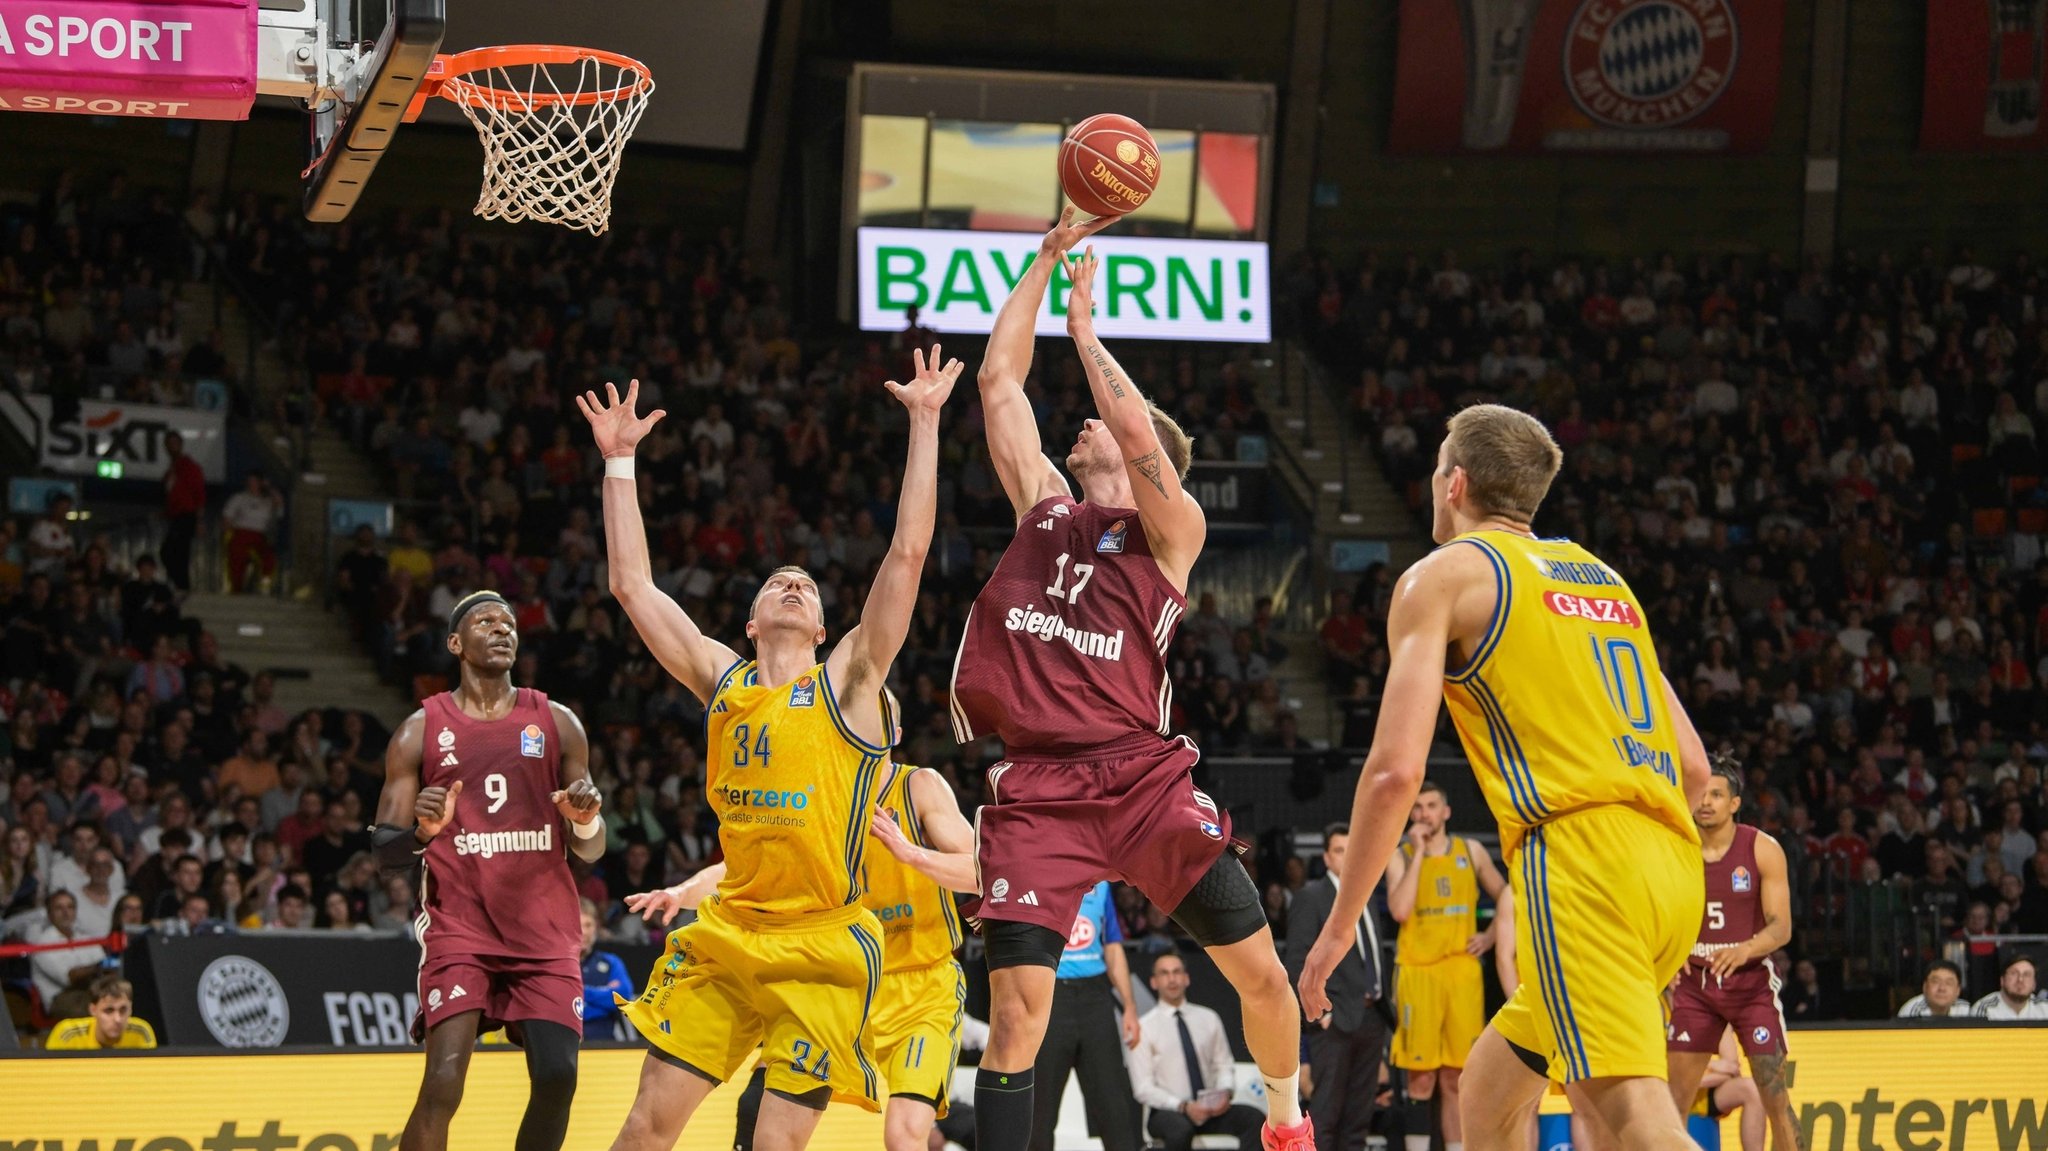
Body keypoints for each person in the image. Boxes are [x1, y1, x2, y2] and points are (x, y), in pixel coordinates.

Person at [953, 211, 1312, 1151]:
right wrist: (1043, 262)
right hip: (1038, 788)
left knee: (1262, 977)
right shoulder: (1043, 508)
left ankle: (1285, 1121)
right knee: (1017, 1017)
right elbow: (997, 383)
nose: (1085, 426)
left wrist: (1086, 331)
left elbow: (1128, 419)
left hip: (1140, 778)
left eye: (1109, 429)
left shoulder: (1171, 532)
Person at [1299, 404, 1711, 1151]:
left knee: (1638, 1121)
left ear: (1455, 482)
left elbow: (1394, 772)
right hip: (1673, 859)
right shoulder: (1605, 579)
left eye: (1433, 471)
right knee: (1490, 1085)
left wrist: (1338, 928)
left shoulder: (1446, 575)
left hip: (1582, 860)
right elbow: (1695, 768)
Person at [584, 354, 956, 1151]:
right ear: (750, 623)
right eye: (776, 584)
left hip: (822, 945)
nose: (793, 586)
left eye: (807, 588)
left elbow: (909, 554)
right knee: (646, 1127)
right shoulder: (724, 680)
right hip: (730, 934)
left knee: (775, 1145)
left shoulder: (850, 684)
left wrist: (924, 424)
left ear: (825, 630)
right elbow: (633, 585)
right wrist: (620, 463)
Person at [370, 589, 607, 1151]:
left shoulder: (558, 722)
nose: (502, 629)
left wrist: (585, 822)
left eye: (508, 623)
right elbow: (384, 852)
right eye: (485, 622)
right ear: (455, 643)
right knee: (444, 1082)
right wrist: (423, 834)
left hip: (544, 932)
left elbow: (590, 853)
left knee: (557, 1078)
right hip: (462, 929)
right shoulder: (419, 729)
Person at [712, 742, 979, 1151]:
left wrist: (909, 853)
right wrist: (682, 891)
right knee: (760, 1104)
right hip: (844, 985)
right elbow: (748, 864)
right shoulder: (819, 792)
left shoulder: (918, 787)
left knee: (904, 1136)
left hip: (921, 989)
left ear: (893, 733)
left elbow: (981, 872)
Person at [1665, 757, 1799, 1151]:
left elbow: (1781, 928)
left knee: (1776, 1100)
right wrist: (1668, 951)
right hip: (1695, 987)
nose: (1706, 802)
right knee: (1673, 1104)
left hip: (1751, 985)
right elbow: (1651, 909)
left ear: (1735, 803)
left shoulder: (1762, 848)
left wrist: (1745, 949)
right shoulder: (1675, 847)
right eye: (1701, 794)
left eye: (1717, 795)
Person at [1384, 781, 1508, 1151]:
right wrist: (1419, 852)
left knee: (1458, 1078)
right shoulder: (1400, 855)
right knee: (1420, 1079)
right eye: (1418, 807)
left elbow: (1507, 896)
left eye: (1431, 805)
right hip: (1418, 972)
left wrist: (1490, 937)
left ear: (1446, 812)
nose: (1424, 813)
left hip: (1461, 972)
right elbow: (1400, 909)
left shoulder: (1471, 851)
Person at [1284, 825, 1388, 1150]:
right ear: (1327, 858)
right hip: (1334, 1020)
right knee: (1326, 1116)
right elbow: (1297, 960)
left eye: (1352, 849)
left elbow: (1370, 954)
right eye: (1340, 850)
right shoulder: (1311, 897)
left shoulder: (1366, 894)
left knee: (1359, 1118)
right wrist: (1318, 1015)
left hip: (1372, 1017)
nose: (1347, 857)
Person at [1129, 952, 1268, 1151]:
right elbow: (1143, 1088)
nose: (1172, 979)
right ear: (1153, 982)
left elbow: (1223, 1065)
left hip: (1210, 1109)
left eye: (1177, 972)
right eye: (1164, 973)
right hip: (1168, 1111)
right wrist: (1183, 1106)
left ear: (1186, 978)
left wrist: (1225, 1093)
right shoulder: (1144, 1027)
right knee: (1180, 1130)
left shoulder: (1208, 1018)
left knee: (1253, 1119)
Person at [44, 974, 157, 1050]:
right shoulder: (67, 1034)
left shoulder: (141, 1032)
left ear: (131, 1008)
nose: (117, 1019)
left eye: (123, 1010)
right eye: (108, 1011)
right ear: (93, 1010)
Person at [579, 898, 636, 1040]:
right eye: (579, 926)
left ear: (596, 927)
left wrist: (579, 991)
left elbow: (623, 997)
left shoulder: (610, 962)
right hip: (566, 1044)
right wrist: (603, 999)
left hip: (604, 1046)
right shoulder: (558, 965)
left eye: (588, 925)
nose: (584, 932)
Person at [221, 471, 284, 593]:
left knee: (269, 560)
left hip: (260, 535)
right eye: (249, 481)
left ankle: (265, 586)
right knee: (237, 557)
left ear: (261, 483)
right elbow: (227, 517)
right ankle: (236, 588)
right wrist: (227, 533)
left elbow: (279, 504)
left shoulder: (268, 501)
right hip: (240, 532)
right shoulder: (239, 498)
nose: (251, 484)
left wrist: (269, 487)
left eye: (255, 481)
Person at [162, 430, 207, 592]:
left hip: (186, 515)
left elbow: (199, 494)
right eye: (169, 444)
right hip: (176, 517)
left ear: (180, 445)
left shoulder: (190, 467)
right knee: (175, 552)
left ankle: (183, 586)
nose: (172, 447)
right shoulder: (171, 471)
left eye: (175, 443)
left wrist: (200, 520)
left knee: (174, 552)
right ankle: (182, 585)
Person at [1971, 953, 2048, 1020]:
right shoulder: (1985, 1009)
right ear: (2002, 980)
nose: (2020, 979)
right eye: (2014, 973)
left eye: (2026, 975)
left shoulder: (2044, 1009)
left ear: (2034, 984)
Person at [1895, 960, 1972, 1018]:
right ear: (1924, 987)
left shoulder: (1966, 1010)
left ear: (1958, 990)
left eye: (1949, 983)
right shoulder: (1913, 1011)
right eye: (1936, 982)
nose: (1942, 988)